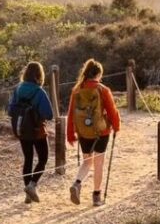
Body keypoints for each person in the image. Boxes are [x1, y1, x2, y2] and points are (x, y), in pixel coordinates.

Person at [66, 58, 121, 207]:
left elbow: (71, 113)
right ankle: (96, 196)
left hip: (84, 132)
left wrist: (70, 134)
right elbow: (112, 112)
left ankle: (77, 183)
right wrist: (116, 127)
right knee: (99, 163)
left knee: (87, 161)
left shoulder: (77, 90)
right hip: (101, 132)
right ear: (98, 74)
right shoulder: (103, 90)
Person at [7, 61, 55, 203]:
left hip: (22, 129)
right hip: (37, 130)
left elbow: (10, 111)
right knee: (43, 159)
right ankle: (32, 185)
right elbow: (49, 114)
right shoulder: (39, 92)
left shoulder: (18, 89)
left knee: (28, 159)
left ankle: (28, 194)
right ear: (39, 75)